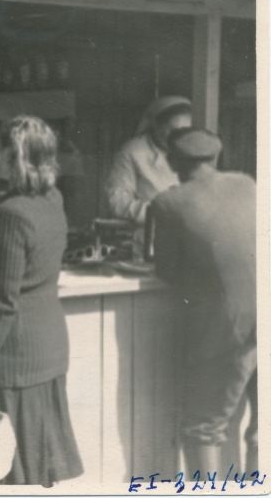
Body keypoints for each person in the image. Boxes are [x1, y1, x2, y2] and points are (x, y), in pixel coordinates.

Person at [0, 116, 83, 486]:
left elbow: (3, 301)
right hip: (46, 347)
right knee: (40, 466)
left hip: (15, 357)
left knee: (18, 472)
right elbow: (0, 200)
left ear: (13, 157)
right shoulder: (49, 198)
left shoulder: (10, 216)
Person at [150, 128, 257, 476]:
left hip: (226, 328)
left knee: (202, 428)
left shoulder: (168, 203)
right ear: (215, 158)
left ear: (171, 161)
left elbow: (167, 270)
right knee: (263, 425)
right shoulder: (246, 184)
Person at [105, 95, 192, 225]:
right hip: (150, 231)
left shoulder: (191, 151)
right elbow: (117, 201)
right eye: (173, 130)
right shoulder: (133, 151)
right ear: (156, 125)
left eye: (185, 131)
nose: (179, 137)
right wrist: (157, 213)